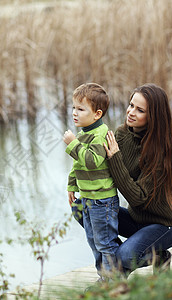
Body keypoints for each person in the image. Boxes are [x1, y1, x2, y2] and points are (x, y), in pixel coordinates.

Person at [104, 83, 172, 275]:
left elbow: (138, 197)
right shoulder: (122, 135)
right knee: (85, 209)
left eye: (140, 110)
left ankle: (159, 256)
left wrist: (115, 158)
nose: (131, 112)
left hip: (162, 227)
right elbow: (103, 169)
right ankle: (113, 268)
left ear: (153, 117)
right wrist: (73, 183)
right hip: (135, 220)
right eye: (131, 105)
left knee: (125, 256)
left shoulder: (160, 152)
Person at [62, 83, 119, 280]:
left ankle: (113, 281)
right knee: (94, 242)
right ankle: (104, 277)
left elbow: (92, 162)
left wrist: (73, 144)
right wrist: (71, 185)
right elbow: (78, 165)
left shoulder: (99, 134)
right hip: (88, 198)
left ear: (97, 114)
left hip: (102, 201)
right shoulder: (84, 133)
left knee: (105, 244)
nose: (74, 113)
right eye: (73, 108)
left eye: (80, 109)